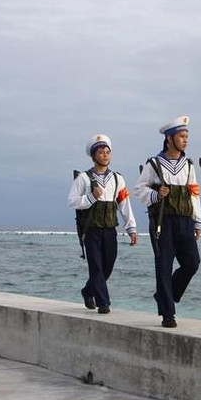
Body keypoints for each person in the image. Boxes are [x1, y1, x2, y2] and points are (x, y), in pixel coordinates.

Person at [133, 116, 201, 328]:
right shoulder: (154, 163)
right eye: (181, 136)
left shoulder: (189, 165)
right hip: (163, 222)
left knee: (192, 263)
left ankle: (165, 295)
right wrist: (156, 194)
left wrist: (197, 221)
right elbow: (139, 189)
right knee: (163, 266)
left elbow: (194, 194)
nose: (185, 140)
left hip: (185, 221)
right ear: (169, 139)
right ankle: (168, 313)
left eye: (187, 136)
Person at [68, 134, 138, 314]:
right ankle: (103, 303)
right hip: (91, 230)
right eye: (101, 152)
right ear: (93, 155)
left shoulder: (117, 179)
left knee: (108, 266)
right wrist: (92, 197)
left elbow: (124, 203)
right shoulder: (84, 178)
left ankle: (88, 291)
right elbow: (72, 201)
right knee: (96, 267)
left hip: (110, 229)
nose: (105, 155)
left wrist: (131, 228)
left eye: (108, 152)